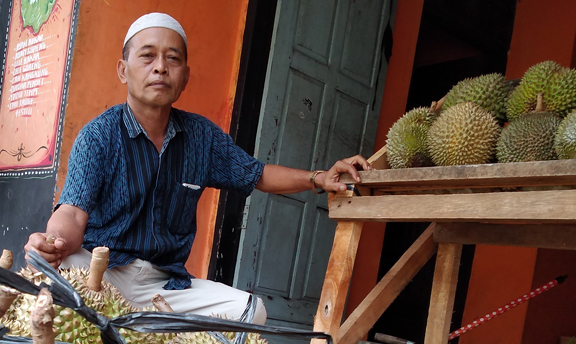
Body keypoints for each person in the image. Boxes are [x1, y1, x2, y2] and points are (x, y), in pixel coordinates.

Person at [25, 12, 371, 324]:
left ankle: (146, 332)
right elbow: (72, 213)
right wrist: (54, 243)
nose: (160, 67)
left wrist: (318, 178)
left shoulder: (201, 137)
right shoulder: (98, 135)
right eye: (147, 56)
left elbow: (257, 174)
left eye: (172, 59)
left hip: (166, 286)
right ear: (123, 69)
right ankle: (140, 333)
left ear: (185, 77)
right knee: (56, 274)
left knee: (252, 311)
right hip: (103, 274)